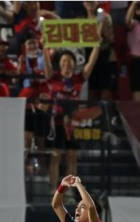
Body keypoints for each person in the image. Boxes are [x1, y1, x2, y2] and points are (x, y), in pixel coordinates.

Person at [43, 43, 100, 194]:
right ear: (60, 64)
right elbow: (47, 64)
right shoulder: (53, 77)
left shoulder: (78, 79)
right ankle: (52, 190)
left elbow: (91, 64)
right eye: (63, 61)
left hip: (73, 124)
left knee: (71, 157)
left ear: (74, 63)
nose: (66, 64)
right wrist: (44, 47)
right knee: (55, 157)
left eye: (69, 61)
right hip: (56, 123)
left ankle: (67, 193)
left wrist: (96, 46)